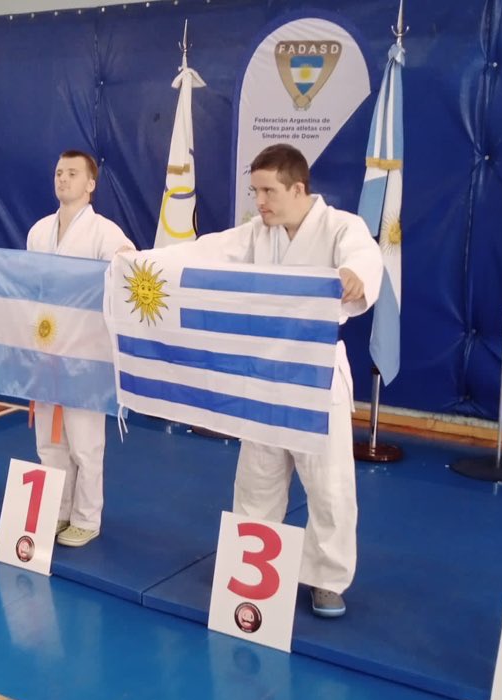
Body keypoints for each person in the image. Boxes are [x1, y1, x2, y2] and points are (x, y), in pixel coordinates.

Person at [143, 144, 382, 617]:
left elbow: (365, 255)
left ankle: (326, 576)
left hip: (314, 376)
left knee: (329, 485)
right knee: (257, 479)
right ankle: (252, 563)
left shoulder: (341, 227)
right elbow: (206, 249)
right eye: (255, 192)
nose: (261, 202)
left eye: (269, 191)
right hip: (264, 373)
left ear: (299, 188)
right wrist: (145, 261)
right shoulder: (259, 232)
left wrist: (355, 274)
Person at [26, 150, 135, 547]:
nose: (63, 179)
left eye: (72, 173)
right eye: (58, 172)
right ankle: (56, 510)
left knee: (85, 442)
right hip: (47, 350)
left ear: (91, 184)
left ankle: (87, 517)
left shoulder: (105, 233)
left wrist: (124, 261)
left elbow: (129, 270)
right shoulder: (39, 231)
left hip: (86, 353)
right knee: (49, 443)